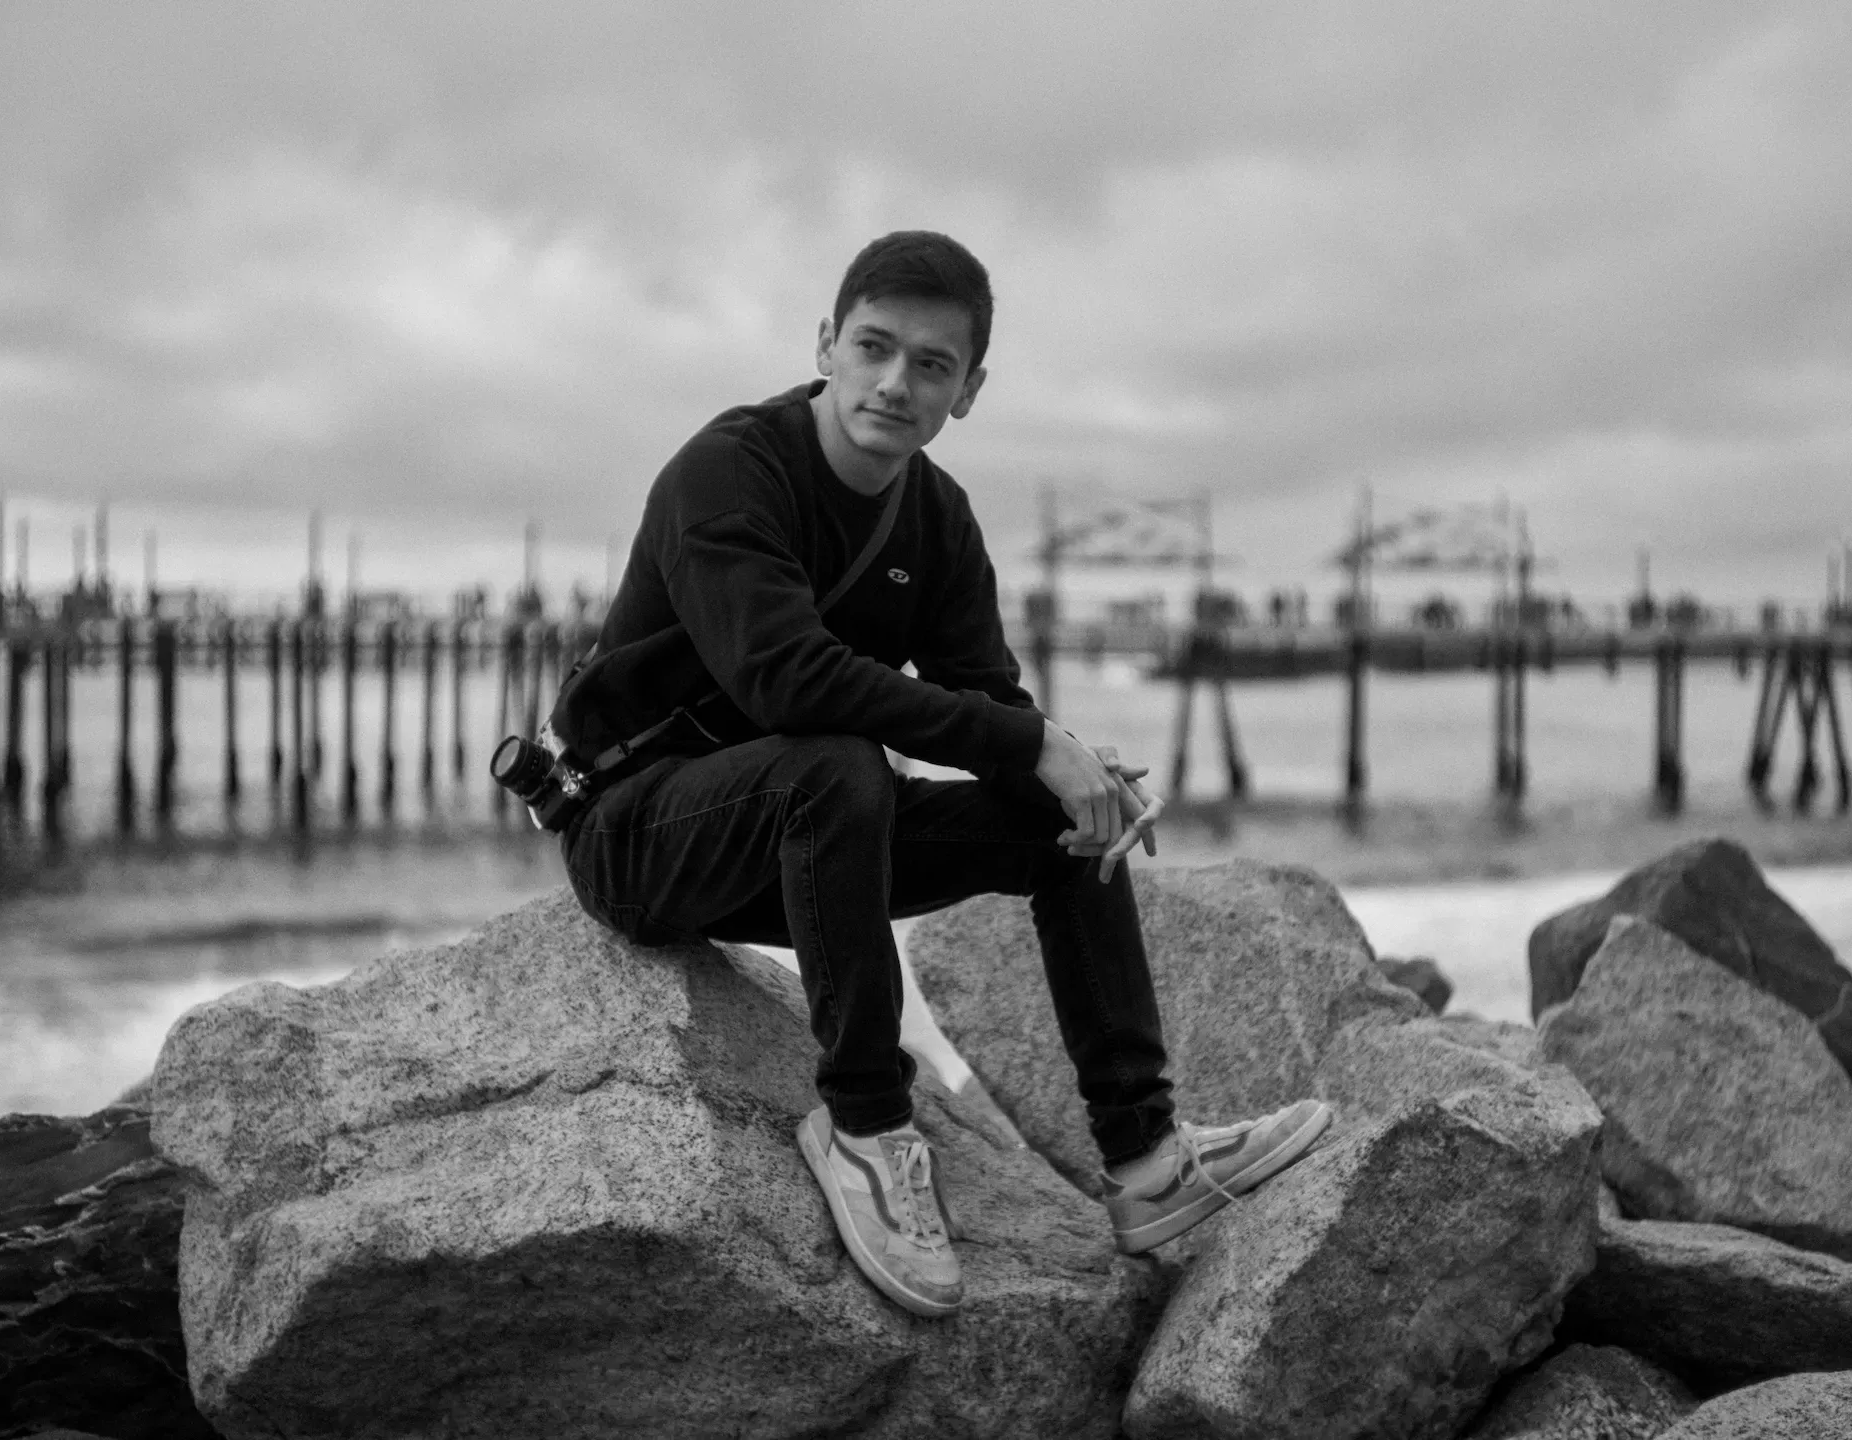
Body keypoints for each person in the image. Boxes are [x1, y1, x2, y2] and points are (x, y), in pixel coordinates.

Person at [557, 230, 1331, 1318]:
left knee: (1059, 816)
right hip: (639, 834)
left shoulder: (939, 517)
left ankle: (1147, 1159)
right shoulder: (728, 472)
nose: (895, 382)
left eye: (932, 364)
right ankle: (868, 1127)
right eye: (874, 347)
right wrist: (1030, 743)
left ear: (969, 389)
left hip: (799, 841)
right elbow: (786, 681)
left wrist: (1074, 773)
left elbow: (985, 698)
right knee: (836, 763)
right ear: (825, 344)